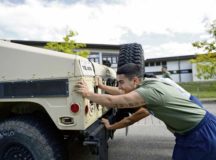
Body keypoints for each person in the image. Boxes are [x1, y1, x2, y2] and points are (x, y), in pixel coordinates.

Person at [75, 63, 216, 160]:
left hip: (201, 133)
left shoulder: (150, 92)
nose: (119, 86)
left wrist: (87, 94)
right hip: (186, 134)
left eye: (121, 82)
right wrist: (100, 86)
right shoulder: (147, 83)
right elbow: (121, 91)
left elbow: (115, 101)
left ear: (135, 80)